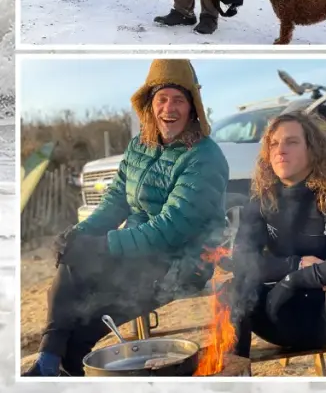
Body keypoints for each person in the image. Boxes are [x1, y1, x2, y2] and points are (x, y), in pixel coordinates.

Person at [22, 59, 230, 376]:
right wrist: (77, 236)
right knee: (72, 262)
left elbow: (170, 228)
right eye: (162, 99)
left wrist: (102, 247)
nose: (169, 108)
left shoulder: (204, 156)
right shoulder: (139, 146)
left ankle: (56, 364)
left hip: (184, 260)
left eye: (178, 100)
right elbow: (115, 201)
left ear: (192, 107)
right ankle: (50, 358)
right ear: (149, 103)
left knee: (88, 316)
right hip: (136, 252)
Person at [227, 111, 326, 377]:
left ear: (313, 148)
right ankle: (232, 381)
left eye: (291, 142)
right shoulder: (261, 201)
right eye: (273, 144)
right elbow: (242, 260)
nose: (280, 150)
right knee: (231, 289)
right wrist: (294, 265)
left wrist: (300, 278)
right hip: (277, 317)